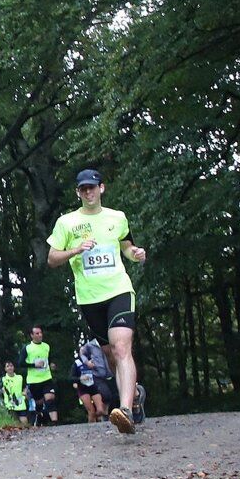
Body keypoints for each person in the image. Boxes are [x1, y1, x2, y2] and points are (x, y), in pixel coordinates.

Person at [47, 168, 147, 434]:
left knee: (121, 347)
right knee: (110, 355)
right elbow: (52, 258)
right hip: (90, 298)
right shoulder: (66, 223)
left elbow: (126, 245)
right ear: (78, 192)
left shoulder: (117, 217)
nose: (88, 192)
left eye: (92, 187)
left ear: (101, 188)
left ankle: (124, 410)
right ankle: (135, 395)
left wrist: (134, 253)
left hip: (118, 290)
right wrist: (76, 250)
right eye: (83, 189)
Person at [23, 325, 58, 426]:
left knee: (50, 399)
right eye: (37, 333)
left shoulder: (46, 346)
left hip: (46, 378)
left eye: (41, 333)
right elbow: (20, 363)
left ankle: (55, 423)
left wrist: (51, 365)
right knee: (39, 403)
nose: (40, 335)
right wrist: (34, 365)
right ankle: (39, 416)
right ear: (32, 335)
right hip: (34, 380)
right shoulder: (27, 348)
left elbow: (49, 359)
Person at [70, 338, 111, 424]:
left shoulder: (93, 360)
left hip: (93, 386)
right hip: (83, 388)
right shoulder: (77, 363)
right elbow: (71, 377)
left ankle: (102, 420)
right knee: (91, 411)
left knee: (100, 409)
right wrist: (79, 379)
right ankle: (91, 427)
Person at [0, 361, 28, 425]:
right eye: (7, 366)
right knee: (14, 422)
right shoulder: (3, 379)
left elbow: (25, 387)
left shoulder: (20, 377)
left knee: (24, 421)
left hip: (20, 402)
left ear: (13, 367)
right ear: (5, 369)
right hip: (9, 403)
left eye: (11, 366)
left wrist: (25, 393)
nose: (10, 368)